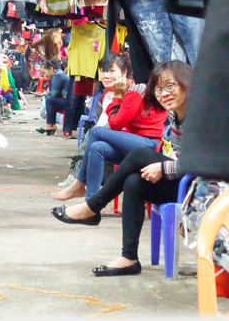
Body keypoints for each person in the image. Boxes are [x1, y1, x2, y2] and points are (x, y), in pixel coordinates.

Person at [51, 60, 193, 277]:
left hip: (199, 189)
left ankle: (92, 205)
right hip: (181, 181)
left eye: (170, 86)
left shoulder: (200, 115)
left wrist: (165, 168)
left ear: (186, 83)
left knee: (126, 150)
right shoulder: (175, 115)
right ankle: (129, 258)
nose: (164, 93)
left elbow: (204, 163)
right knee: (132, 181)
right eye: (159, 89)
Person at [52, 58, 169, 201]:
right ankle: (91, 202)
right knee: (97, 147)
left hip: (152, 145)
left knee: (96, 131)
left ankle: (79, 183)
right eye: (103, 71)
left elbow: (115, 124)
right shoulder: (118, 91)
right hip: (137, 142)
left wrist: (116, 97)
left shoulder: (134, 91)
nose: (106, 75)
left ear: (124, 72)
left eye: (112, 71)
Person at [35, 59, 69, 135]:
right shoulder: (59, 74)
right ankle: (51, 125)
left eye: (44, 72)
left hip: (68, 101)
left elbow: (54, 94)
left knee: (49, 100)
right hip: (68, 99)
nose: (44, 75)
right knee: (51, 100)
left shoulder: (57, 75)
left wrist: (45, 94)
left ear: (51, 69)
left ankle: (50, 125)